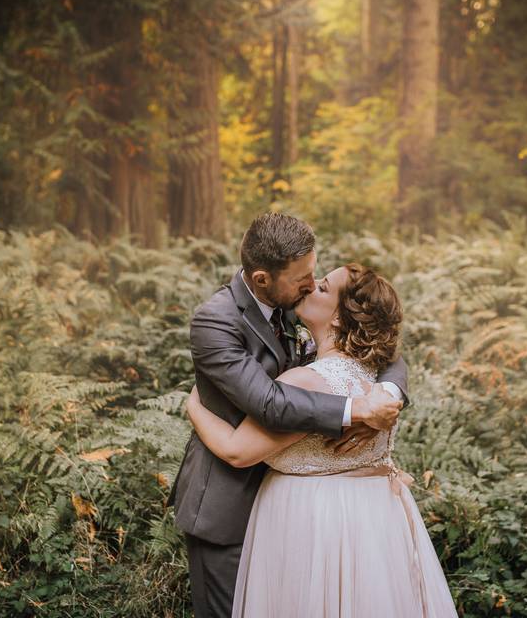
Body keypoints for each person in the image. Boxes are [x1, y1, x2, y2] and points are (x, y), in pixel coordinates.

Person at [168, 213, 409, 618]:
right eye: (304, 279)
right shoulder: (217, 321)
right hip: (229, 505)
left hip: (294, 510)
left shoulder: (296, 304)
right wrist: (354, 410)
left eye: (316, 276)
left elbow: (387, 354)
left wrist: (386, 395)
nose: (312, 285)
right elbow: (271, 404)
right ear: (263, 279)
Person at [185, 263, 459, 617]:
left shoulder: (307, 382)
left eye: (324, 288)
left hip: (313, 525)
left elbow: (238, 451)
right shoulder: (373, 380)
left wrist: (194, 406)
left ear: (339, 320)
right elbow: (391, 365)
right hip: (373, 524)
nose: (311, 285)